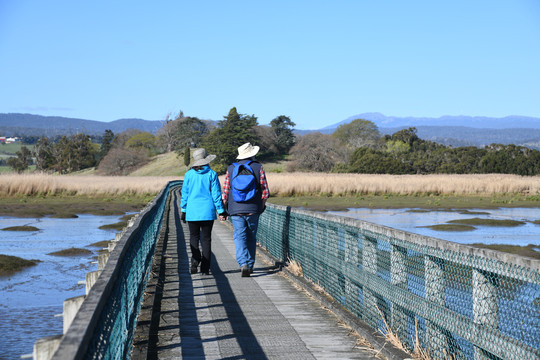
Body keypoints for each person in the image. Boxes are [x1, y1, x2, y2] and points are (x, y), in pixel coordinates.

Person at [222, 142, 270, 277]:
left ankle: (243, 264)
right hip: (253, 208)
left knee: (239, 236)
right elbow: (265, 191)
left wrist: (224, 208)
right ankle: (250, 264)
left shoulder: (231, 168)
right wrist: (261, 206)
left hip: (235, 209)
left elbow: (225, 192)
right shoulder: (258, 167)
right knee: (251, 237)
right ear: (252, 154)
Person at [181, 148, 227, 275]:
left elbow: (184, 193)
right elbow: (216, 195)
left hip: (192, 211)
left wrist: (183, 210)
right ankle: (205, 268)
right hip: (207, 211)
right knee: (206, 240)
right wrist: (221, 211)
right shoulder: (212, 174)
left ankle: (195, 260)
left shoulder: (188, 175)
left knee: (193, 237)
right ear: (206, 160)